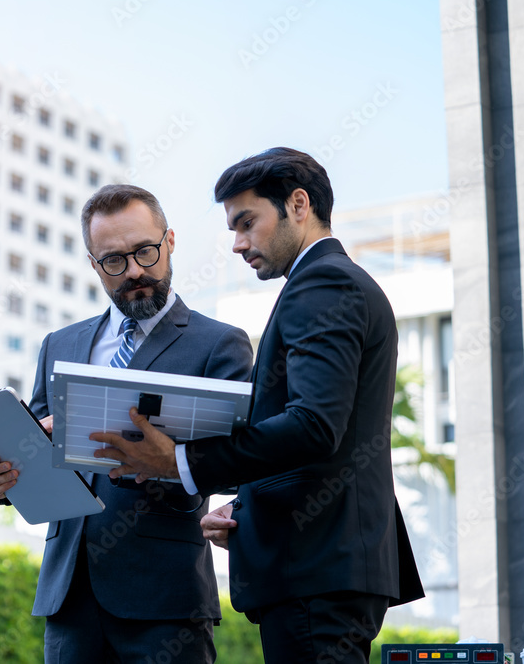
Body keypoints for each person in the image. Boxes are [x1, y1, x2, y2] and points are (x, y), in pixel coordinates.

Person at [91, 149, 425, 663]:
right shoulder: (329, 282)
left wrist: (178, 462)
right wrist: (247, 509)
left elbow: (313, 426)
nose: (237, 244)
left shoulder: (321, 283)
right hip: (324, 566)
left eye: (247, 223)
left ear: (297, 204)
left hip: (316, 570)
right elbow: (325, 440)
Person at [0, 184, 253, 663]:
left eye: (145, 251)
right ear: (93, 265)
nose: (136, 270)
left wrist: (168, 458)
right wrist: (1, 476)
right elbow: (36, 449)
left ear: (171, 241)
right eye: (114, 261)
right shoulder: (60, 344)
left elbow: (240, 461)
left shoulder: (219, 344)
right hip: (69, 594)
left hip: (165, 598)